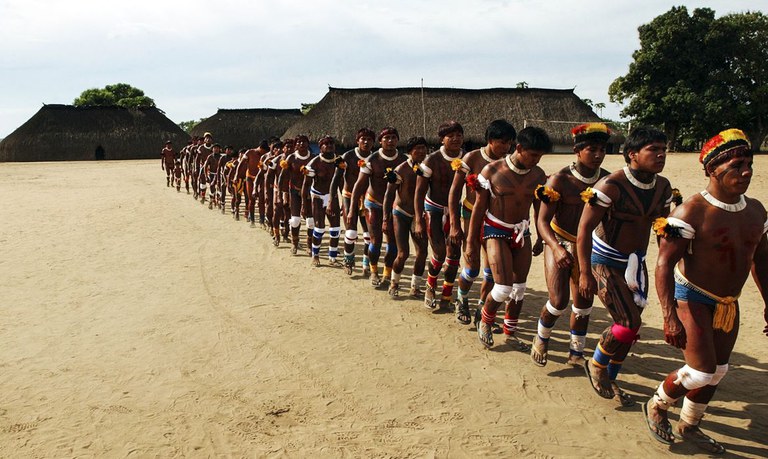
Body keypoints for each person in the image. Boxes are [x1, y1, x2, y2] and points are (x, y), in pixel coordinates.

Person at [643, 128, 768, 454]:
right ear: (712, 170)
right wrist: (669, 315)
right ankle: (657, 404)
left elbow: (762, 262)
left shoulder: (756, 211)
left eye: (749, 164)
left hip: (728, 303)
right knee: (700, 371)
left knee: (718, 371)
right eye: (737, 166)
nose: (746, 173)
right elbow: (663, 265)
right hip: (691, 295)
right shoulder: (689, 212)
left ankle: (690, 425)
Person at [577, 126, 672, 407]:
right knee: (628, 323)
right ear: (632, 154)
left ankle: (612, 375)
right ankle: (597, 365)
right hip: (604, 259)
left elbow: (661, 229)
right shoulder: (611, 186)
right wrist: (584, 272)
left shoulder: (663, 187)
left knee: (629, 331)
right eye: (653, 150)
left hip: (635, 262)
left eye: (663, 149)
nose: (661, 155)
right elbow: (583, 230)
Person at [531, 123, 611, 367]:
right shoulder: (559, 180)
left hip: (589, 247)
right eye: (592, 150)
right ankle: (542, 337)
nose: (598, 155)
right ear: (577, 151)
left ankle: (576, 352)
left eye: (602, 150)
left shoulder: (607, 181)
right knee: (559, 300)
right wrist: (556, 248)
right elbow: (542, 222)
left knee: (584, 302)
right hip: (560, 240)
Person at [467, 126, 548, 350]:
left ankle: (510, 333)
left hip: (522, 231)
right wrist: (471, 243)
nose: (536, 160)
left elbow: (539, 208)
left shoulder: (539, 175)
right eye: (533, 155)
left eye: (540, 156)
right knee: (502, 287)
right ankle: (485, 320)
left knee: (519, 289)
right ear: (519, 148)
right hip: (495, 230)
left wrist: (541, 237)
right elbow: (478, 210)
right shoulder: (491, 171)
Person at [448, 119, 516, 325]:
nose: (506, 147)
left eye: (509, 143)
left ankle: (481, 308)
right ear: (490, 140)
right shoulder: (472, 158)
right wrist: (454, 223)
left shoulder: (508, 162)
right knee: (472, 266)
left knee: (492, 271)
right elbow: (454, 192)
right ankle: (462, 298)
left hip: (494, 221)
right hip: (470, 215)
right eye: (502, 142)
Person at [414, 121, 466, 310]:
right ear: (442, 139)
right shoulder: (431, 160)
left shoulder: (467, 158)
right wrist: (419, 220)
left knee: (454, 256)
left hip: (455, 211)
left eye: (458, 135)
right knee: (439, 253)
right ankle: (430, 285)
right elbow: (419, 193)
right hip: (433, 211)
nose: (455, 139)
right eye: (450, 136)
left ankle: (446, 295)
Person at [348, 127, 406, 286]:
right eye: (386, 138)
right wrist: (352, 210)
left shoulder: (403, 160)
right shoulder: (372, 160)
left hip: (395, 206)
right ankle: (373, 271)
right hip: (373, 204)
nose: (390, 141)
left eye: (394, 137)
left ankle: (387, 274)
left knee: (393, 242)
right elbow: (358, 187)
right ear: (380, 141)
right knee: (376, 241)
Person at [382, 136, 429, 297]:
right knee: (403, 253)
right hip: (400, 213)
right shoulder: (401, 170)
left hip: (419, 214)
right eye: (418, 149)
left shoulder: (427, 168)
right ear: (410, 152)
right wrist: (385, 219)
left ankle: (415, 286)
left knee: (422, 251)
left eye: (424, 148)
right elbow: (388, 195)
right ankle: (394, 283)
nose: (422, 151)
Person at [330, 128, 375, 275]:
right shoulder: (347, 157)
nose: (366, 142)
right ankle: (348, 260)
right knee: (351, 232)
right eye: (363, 139)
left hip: (367, 198)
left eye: (369, 139)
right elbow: (336, 179)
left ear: (374, 142)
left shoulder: (375, 158)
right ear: (357, 141)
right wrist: (332, 200)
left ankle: (366, 263)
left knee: (369, 234)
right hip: (349, 196)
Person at [302, 136, 344, 266]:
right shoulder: (314, 163)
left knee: (335, 229)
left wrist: (344, 201)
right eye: (326, 144)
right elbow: (306, 185)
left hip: (333, 197)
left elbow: (341, 182)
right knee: (319, 228)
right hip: (317, 197)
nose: (329, 146)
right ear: (320, 147)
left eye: (331, 143)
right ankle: (316, 255)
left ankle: (332, 257)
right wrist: (304, 205)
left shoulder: (339, 161)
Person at [278, 135, 314, 255]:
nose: (302, 144)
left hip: (309, 193)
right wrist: (280, 194)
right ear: (296, 145)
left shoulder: (313, 158)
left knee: (311, 221)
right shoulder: (291, 158)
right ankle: (294, 243)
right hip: (294, 191)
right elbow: (282, 177)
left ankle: (310, 245)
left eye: (304, 142)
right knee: (295, 220)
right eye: (299, 142)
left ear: (308, 144)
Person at [270, 139, 294, 245]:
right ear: (283, 148)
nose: (289, 149)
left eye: (291, 147)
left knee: (288, 214)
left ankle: (285, 234)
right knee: (277, 211)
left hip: (290, 190)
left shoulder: (295, 159)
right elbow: (268, 176)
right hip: (277, 189)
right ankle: (276, 235)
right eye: (286, 147)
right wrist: (267, 191)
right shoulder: (276, 160)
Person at [196, 133, 214, 204]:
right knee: (202, 181)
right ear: (204, 140)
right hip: (203, 166)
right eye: (206, 138)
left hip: (212, 168)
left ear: (212, 140)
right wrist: (196, 168)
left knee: (212, 183)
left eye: (209, 138)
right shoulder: (201, 148)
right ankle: (203, 196)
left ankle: (212, 198)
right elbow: (197, 159)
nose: (208, 139)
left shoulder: (214, 148)